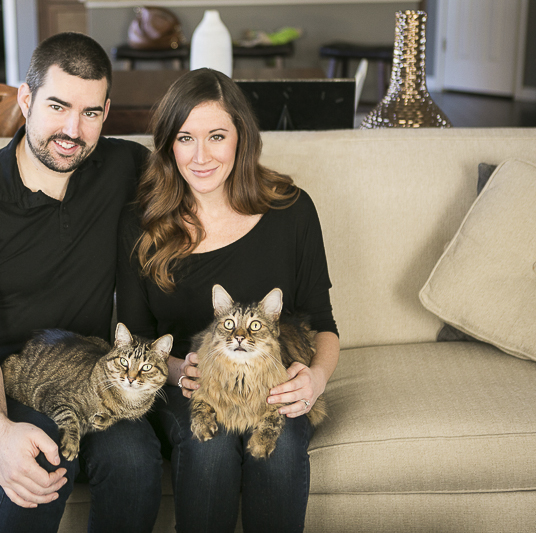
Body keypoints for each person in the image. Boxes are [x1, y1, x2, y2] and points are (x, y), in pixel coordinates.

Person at [0, 32, 162, 533]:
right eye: (57, 107)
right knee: (40, 452)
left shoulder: (123, 167)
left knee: (138, 457)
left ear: (106, 111)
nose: (72, 131)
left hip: (86, 381)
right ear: (26, 99)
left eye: (90, 113)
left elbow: (206, 181)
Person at [116, 68, 341, 533]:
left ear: (241, 137)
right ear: (168, 144)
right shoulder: (142, 223)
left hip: (271, 381)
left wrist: (315, 379)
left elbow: (323, 322)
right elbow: (136, 336)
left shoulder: (292, 210)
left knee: (279, 446)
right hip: (186, 385)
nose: (200, 157)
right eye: (185, 138)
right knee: (210, 446)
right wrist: (179, 370)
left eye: (216, 136)